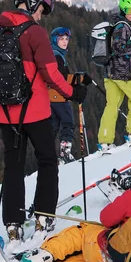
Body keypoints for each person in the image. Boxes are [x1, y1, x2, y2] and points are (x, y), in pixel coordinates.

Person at [0, 0, 88, 243]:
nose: (41, 16)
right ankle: (43, 216)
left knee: (13, 166)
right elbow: (51, 73)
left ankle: (13, 225)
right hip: (35, 112)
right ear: (32, 4)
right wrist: (72, 93)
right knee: (47, 161)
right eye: (41, 10)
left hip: (5, 114)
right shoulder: (35, 32)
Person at [97, 0, 131, 151]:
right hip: (124, 75)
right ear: (123, 10)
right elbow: (119, 47)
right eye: (129, 10)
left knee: (112, 106)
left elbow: (117, 50)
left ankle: (105, 140)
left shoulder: (118, 25)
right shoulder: (123, 27)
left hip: (111, 73)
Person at [49, 27, 77, 163]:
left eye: (67, 39)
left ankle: (49, 155)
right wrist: (77, 82)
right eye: (61, 39)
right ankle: (65, 152)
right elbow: (62, 78)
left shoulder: (51, 53)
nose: (65, 42)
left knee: (53, 126)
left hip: (50, 96)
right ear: (55, 40)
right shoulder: (57, 56)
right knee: (68, 123)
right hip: (59, 96)